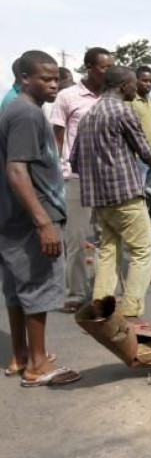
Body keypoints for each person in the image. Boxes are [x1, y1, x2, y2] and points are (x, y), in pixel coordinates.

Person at [71, 66, 151, 324]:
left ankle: (101, 306)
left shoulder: (89, 115)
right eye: (133, 84)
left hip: (99, 199)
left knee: (107, 251)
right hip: (125, 196)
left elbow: (74, 161)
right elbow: (145, 152)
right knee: (143, 251)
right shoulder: (122, 112)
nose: (138, 89)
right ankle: (130, 311)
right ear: (123, 86)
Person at [0, 50, 81, 387]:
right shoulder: (27, 114)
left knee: (18, 289)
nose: (54, 84)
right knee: (38, 286)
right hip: (32, 217)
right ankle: (37, 364)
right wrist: (44, 222)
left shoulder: (15, 108)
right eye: (45, 79)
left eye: (55, 78)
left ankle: (22, 355)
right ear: (24, 79)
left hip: (14, 217)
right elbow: (17, 171)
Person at [50, 46, 114, 313]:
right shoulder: (68, 96)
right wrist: (61, 169)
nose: (109, 72)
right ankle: (75, 293)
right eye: (104, 67)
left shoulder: (112, 98)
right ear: (89, 67)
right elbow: (57, 137)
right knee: (76, 238)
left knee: (107, 238)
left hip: (108, 178)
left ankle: (103, 292)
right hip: (76, 177)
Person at [128, 65, 151, 184]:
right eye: (144, 80)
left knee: (150, 194)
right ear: (136, 80)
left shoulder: (149, 101)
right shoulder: (130, 101)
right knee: (139, 193)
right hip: (138, 157)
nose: (148, 84)